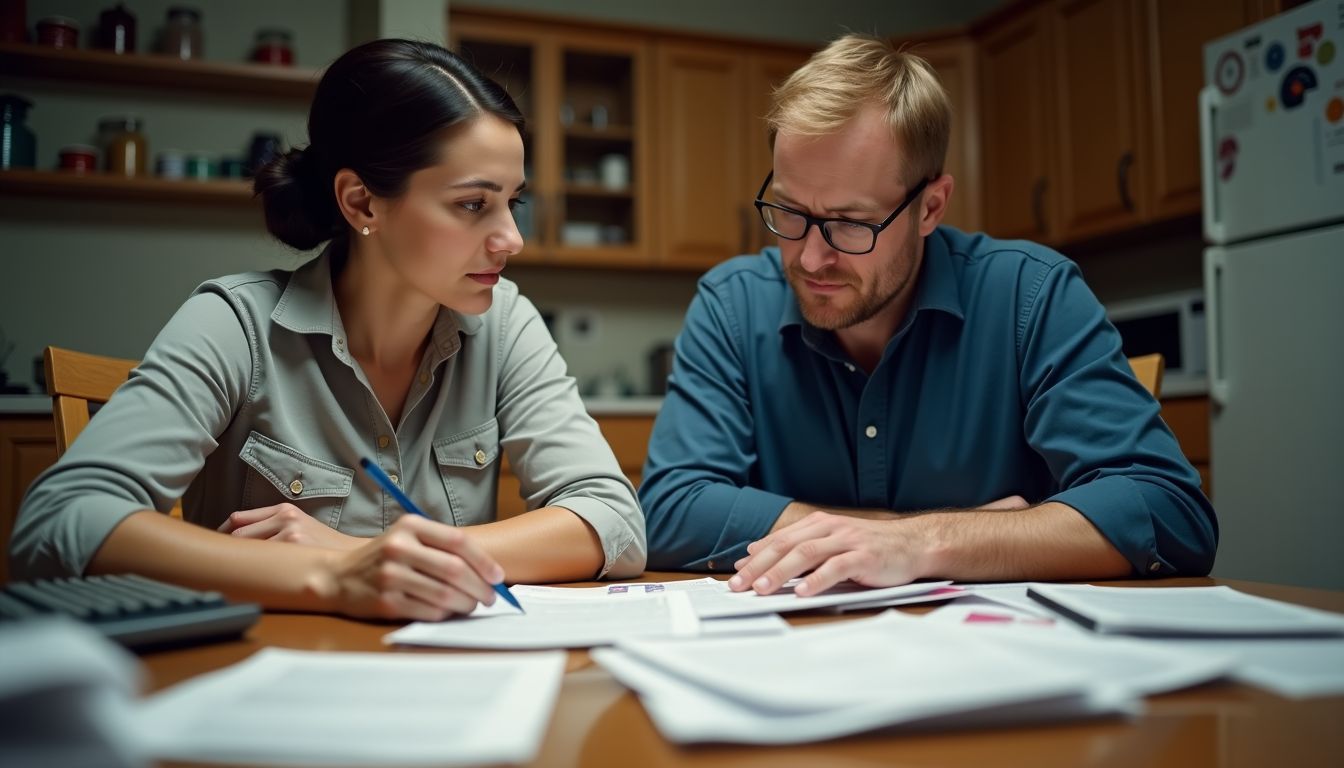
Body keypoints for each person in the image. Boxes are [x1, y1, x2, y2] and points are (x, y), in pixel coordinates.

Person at [11, 39, 645, 620]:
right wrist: (337, 572)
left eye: (514, 202)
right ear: (362, 202)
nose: (512, 238)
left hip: (453, 691)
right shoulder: (235, 322)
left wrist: (374, 553)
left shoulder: (507, 322)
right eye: (473, 204)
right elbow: (59, 522)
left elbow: (612, 519)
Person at [639, 34, 1216, 597]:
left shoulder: (1030, 294)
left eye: (851, 223)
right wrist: (893, 536)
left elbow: (1168, 511)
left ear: (929, 208)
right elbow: (667, 509)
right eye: (788, 212)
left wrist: (925, 543)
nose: (811, 257)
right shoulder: (733, 304)